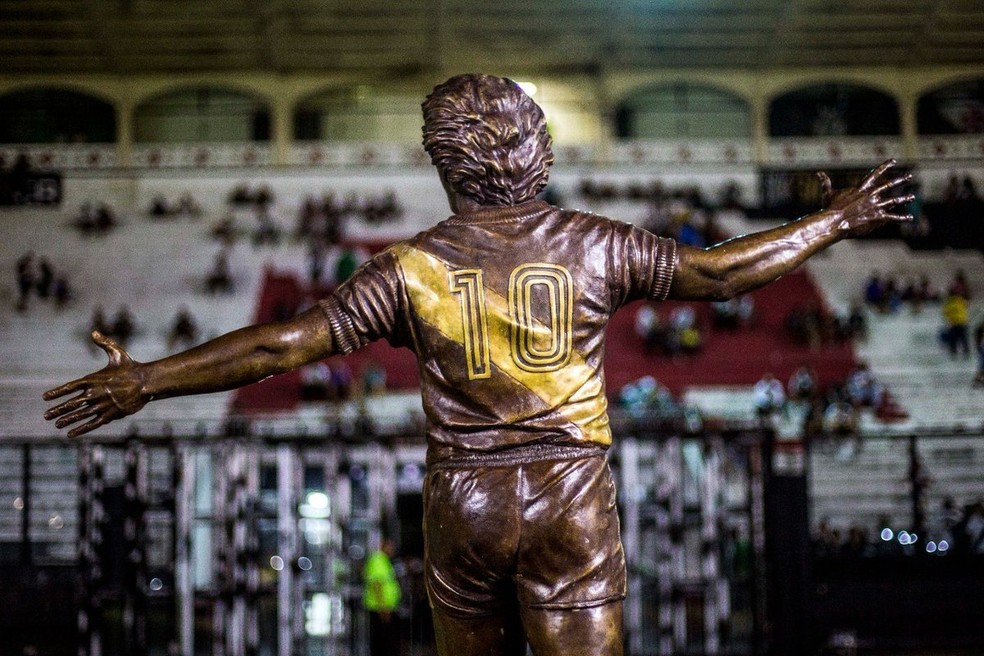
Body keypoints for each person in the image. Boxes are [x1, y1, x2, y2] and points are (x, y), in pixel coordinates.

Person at [43, 73, 913, 656]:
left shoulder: (410, 266)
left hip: (462, 498)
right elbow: (721, 273)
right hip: (569, 489)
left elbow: (284, 344)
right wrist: (833, 220)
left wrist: (148, 378)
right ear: (538, 149)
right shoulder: (593, 244)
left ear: (444, 163)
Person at [363, 537, 402, 656]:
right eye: (390, 547)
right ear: (383, 546)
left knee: (385, 641)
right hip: (380, 608)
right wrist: (383, 607)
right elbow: (377, 585)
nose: (393, 550)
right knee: (382, 642)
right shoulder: (378, 560)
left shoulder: (384, 560)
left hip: (384, 608)